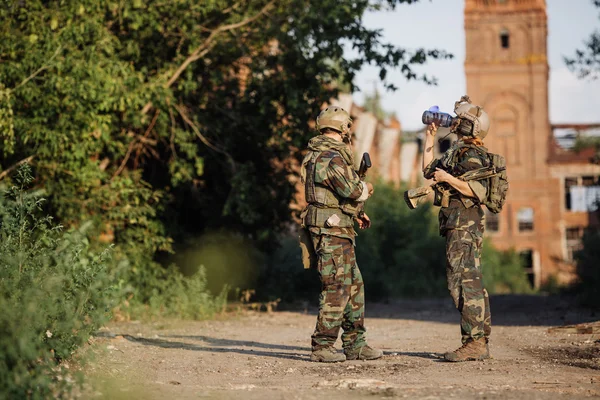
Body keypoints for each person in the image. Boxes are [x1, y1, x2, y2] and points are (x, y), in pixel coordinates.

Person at [299, 106, 382, 363]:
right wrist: (365, 188)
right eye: (348, 127)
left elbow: (336, 196)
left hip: (339, 227)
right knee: (336, 285)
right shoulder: (328, 157)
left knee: (354, 285)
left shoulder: (328, 156)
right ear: (343, 127)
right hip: (330, 229)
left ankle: (355, 344)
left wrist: (356, 212)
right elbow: (352, 189)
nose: (349, 132)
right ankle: (322, 346)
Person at [422, 95, 493, 362]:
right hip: (457, 222)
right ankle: (479, 340)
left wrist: (448, 177)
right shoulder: (458, 152)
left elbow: (478, 191)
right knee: (467, 278)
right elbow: (429, 172)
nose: (453, 122)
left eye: (459, 119)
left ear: (469, 126)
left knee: (462, 281)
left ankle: (474, 342)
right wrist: (430, 137)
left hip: (465, 222)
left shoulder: (473, 155)